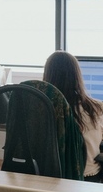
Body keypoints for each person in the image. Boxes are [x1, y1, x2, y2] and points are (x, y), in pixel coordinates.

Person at [43, 51, 103, 182]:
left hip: (47, 176)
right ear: (77, 76)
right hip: (86, 177)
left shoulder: (42, 107)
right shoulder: (96, 108)